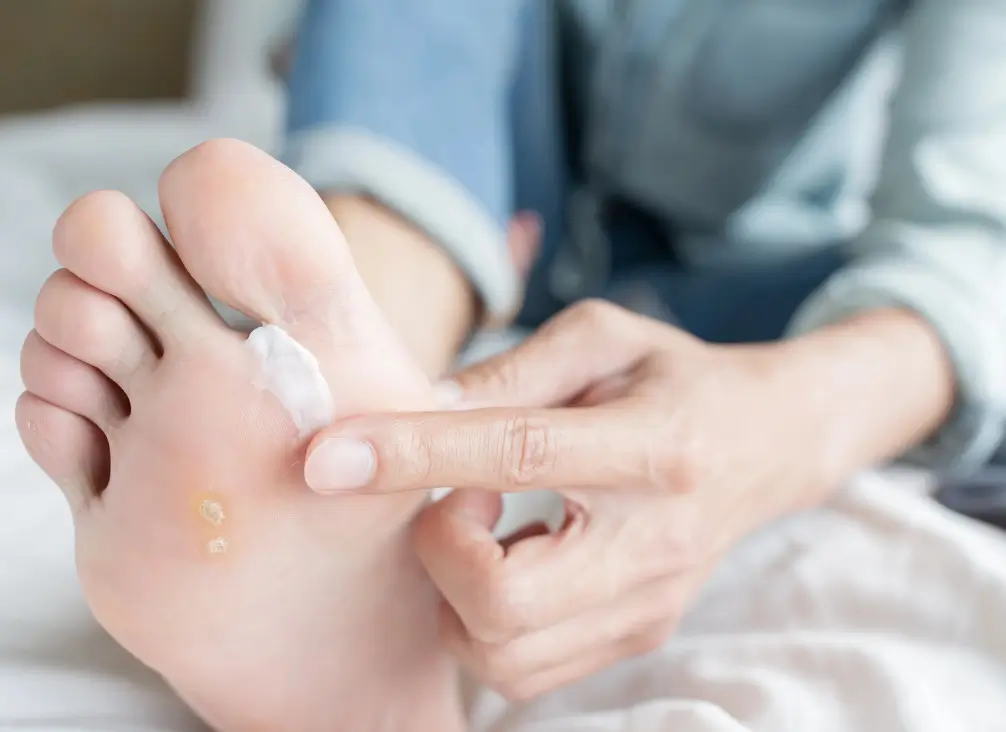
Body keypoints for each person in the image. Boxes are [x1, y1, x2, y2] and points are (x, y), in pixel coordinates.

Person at [12, 2, 1006, 731]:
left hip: (764, 295)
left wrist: (788, 421)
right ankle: (351, 375)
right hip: (481, 228)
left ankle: (335, 418)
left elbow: (972, 233)